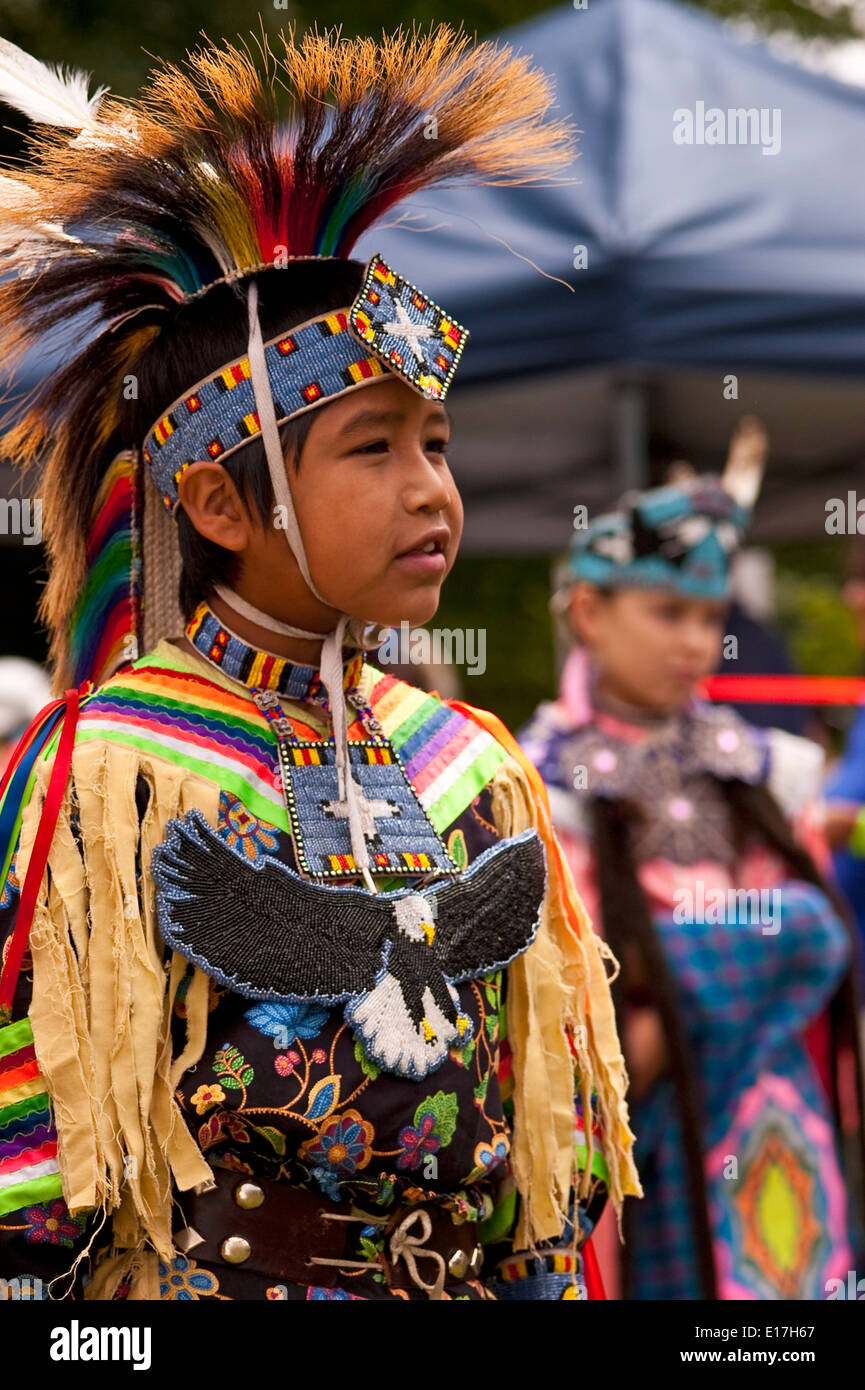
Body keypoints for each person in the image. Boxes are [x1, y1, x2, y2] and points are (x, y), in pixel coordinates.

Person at [0, 27, 640, 1301]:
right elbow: (29, 1184)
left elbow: (543, 1176)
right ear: (222, 508)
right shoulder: (109, 772)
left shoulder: (474, 765)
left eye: (439, 443)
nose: (430, 491)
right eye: (372, 448)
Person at [520, 450, 865, 1300]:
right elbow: (571, 984)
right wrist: (767, 934)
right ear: (590, 612)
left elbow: (819, 944)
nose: (694, 642)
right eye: (667, 611)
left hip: (774, 1115)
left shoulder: (766, 768)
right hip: (636, 1128)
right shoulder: (535, 782)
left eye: (709, 617)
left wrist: (662, 964)